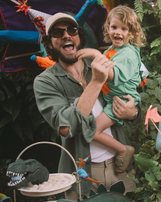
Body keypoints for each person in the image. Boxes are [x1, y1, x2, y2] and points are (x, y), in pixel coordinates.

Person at [33, 12, 138, 198]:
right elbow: (66, 128)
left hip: (121, 166)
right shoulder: (46, 82)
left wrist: (133, 112)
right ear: (49, 43)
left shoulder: (98, 62)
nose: (66, 35)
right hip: (85, 175)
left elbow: (129, 90)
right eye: (58, 32)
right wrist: (96, 82)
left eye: (72, 30)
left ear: (79, 36)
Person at [76, 5, 145, 174]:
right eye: (114, 27)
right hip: (112, 98)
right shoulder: (113, 50)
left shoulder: (128, 53)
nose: (118, 32)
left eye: (124, 29)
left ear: (132, 33)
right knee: (93, 130)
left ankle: (123, 149)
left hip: (120, 101)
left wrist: (94, 54)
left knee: (92, 131)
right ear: (108, 28)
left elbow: (112, 74)